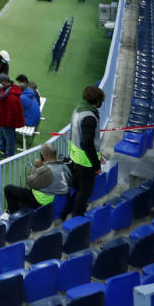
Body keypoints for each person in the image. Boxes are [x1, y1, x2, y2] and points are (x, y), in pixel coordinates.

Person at [62, 86, 105, 220]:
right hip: (85, 162)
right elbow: (87, 143)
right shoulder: (89, 116)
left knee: (78, 190)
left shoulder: (78, 111)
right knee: (85, 193)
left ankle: (66, 214)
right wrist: (96, 164)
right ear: (97, 101)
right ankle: (76, 221)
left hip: (76, 158)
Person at [3, 144, 71, 214]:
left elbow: (29, 182)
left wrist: (36, 167)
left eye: (42, 154)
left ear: (46, 156)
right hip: (55, 199)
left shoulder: (44, 170)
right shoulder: (63, 166)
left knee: (8, 189)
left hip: (40, 201)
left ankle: (11, 214)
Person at [0, 75, 23, 156]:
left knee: (9, 138)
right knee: (2, 133)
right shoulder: (6, 89)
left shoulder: (11, 96)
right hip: (2, 117)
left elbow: (11, 111)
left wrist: (8, 123)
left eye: (0, 82)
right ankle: (2, 148)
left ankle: (9, 154)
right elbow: (0, 95)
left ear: (4, 82)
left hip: (7, 121)